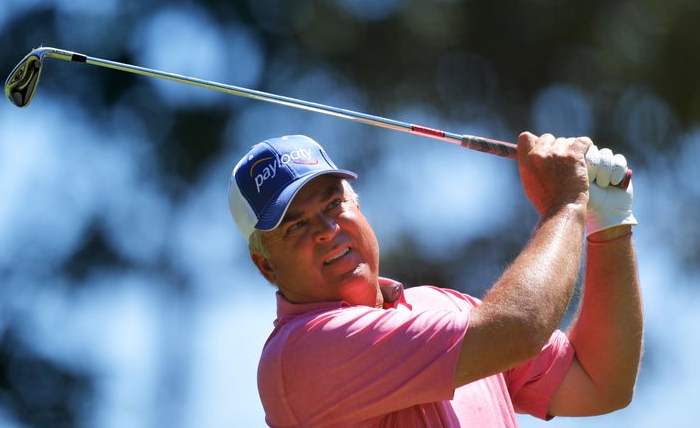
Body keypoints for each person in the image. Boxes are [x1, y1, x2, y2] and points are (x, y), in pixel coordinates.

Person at [227, 133, 642, 427]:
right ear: (266, 266)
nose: (324, 229)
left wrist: (608, 224)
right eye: (294, 226)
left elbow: (600, 382)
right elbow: (518, 328)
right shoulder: (299, 355)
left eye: (334, 203)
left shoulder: (444, 307)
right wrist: (566, 204)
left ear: (359, 204)